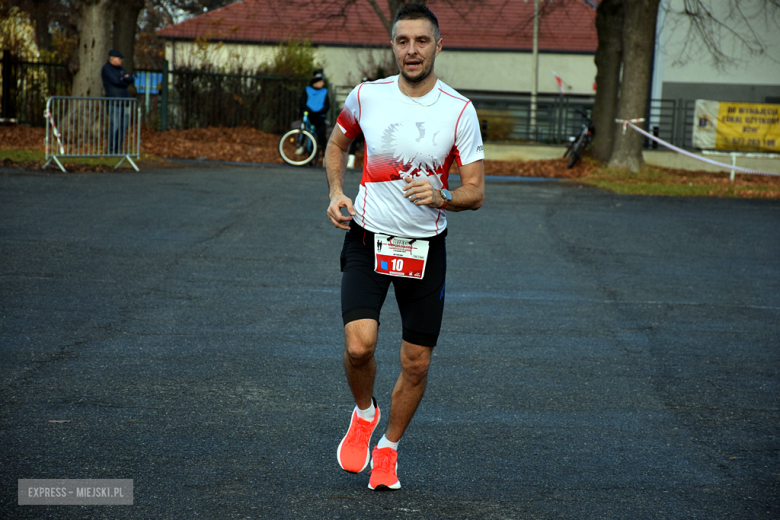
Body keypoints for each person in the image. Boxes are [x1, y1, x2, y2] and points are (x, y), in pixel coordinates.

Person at [325, 4, 485, 491]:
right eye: (402, 41)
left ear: (439, 45)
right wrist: (336, 192)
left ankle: (389, 449)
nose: (411, 50)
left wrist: (443, 196)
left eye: (421, 41)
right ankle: (364, 414)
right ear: (393, 45)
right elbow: (337, 145)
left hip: (425, 248)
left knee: (416, 362)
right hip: (367, 236)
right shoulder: (366, 96)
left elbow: (476, 191)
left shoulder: (459, 110)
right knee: (359, 346)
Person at [101, 49, 134, 154]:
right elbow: (116, 81)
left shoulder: (121, 69)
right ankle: (111, 149)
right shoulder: (107, 69)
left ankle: (118, 148)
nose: (121, 61)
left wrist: (123, 79)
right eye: (119, 59)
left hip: (124, 101)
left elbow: (130, 79)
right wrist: (123, 79)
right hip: (114, 101)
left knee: (123, 126)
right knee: (114, 125)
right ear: (113, 59)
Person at [299, 72, 330, 165]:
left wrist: (320, 111)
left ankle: (325, 157)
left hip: (320, 116)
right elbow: (302, 102)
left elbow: (327, 105)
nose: (322, 84)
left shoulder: (324, 91)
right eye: (320, 82)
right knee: (305, 131)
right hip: (309, 115)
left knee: (322, 136)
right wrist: (308, 110)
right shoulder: (307, 90)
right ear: (315, 82)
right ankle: (301, 147)